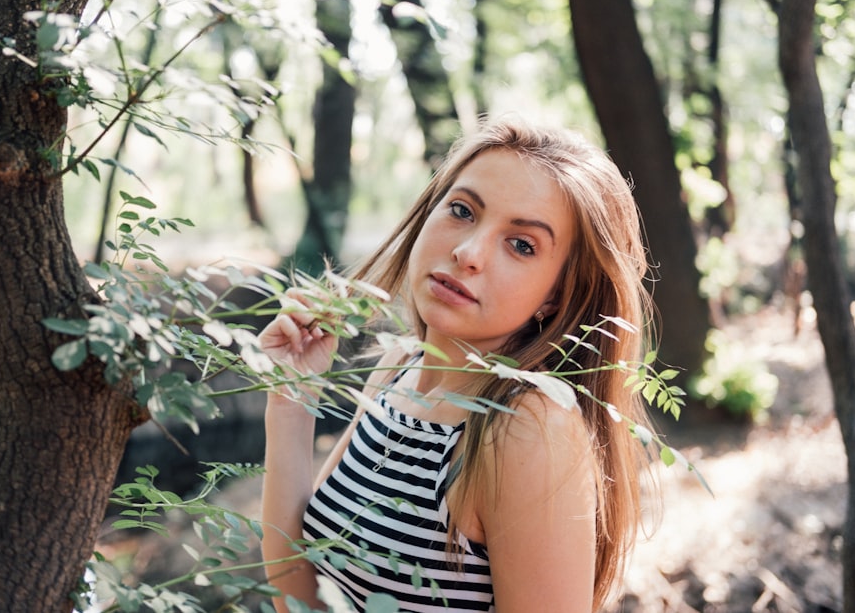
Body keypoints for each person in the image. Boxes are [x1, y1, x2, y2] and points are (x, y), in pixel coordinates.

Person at [259, 117, 657, 612]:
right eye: (463, 210)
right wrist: (291, 400)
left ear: (556, 296)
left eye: (522, 245)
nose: (467, 253)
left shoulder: (524, 427)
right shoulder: (398, 367)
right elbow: (300, 597)